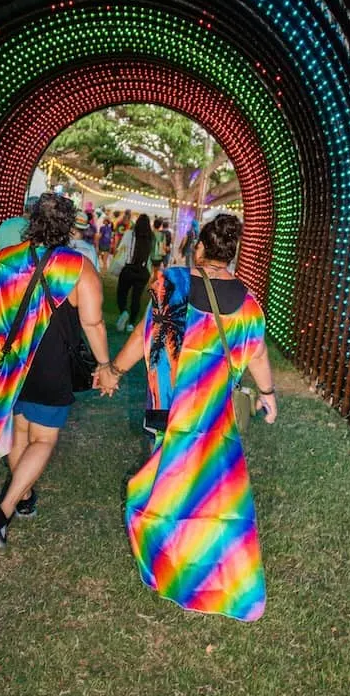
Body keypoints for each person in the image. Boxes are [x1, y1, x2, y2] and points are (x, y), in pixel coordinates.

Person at [100, 214, 277, 622]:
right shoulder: (249, 306)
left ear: (199, 247)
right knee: (210, 500)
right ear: (231, 254)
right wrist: (267, 395)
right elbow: (259, 354)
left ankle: (171, 564)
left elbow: (147, 332)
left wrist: (114, 371)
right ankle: (214, 573)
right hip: (214, 423)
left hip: (168, 413)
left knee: (164, 488)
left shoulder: (173, 282)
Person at [0, 193, 114, 549]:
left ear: (32, 221)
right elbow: (94, 323)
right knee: (44, 439)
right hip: (52, 365)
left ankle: (24, 494)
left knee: (20, 432)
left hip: (13, 366)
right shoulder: (78, 267)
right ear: (68, 226)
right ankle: (1, 512)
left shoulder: (7, 259)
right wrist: (104, 365)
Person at [115, 213, 152, 333]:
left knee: (122, 293)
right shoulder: (150, 238)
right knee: (136, 298)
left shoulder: (129, 234)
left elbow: (122, 249)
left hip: (129, 269)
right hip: (143, 271)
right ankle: (131, 323)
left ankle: (124, 312)